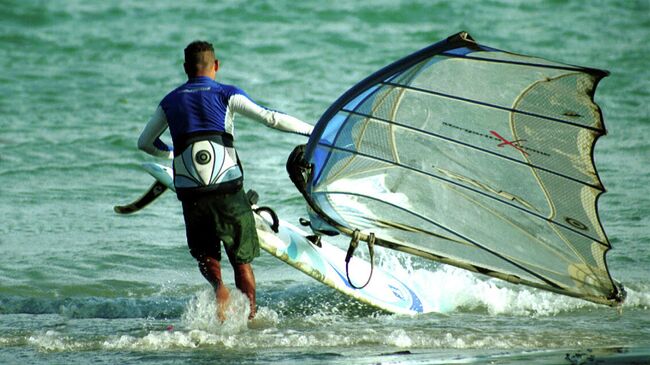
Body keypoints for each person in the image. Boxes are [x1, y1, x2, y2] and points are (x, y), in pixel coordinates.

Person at [137, 40, 312, 320]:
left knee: (207, 253)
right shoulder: (226, 94)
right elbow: (271, 119)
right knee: (241, 262)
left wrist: (172, 153)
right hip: (227, 189)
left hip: (191, 192)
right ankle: (250, 318)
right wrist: (314, 132)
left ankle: (219, 289)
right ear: (216, 65)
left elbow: (145, 143)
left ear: (185, 68)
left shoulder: (169, 101)